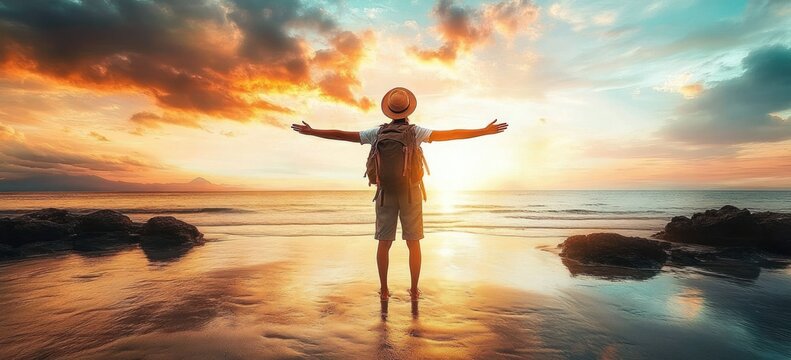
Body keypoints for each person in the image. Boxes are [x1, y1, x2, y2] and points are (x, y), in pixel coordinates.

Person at [291, 87, 508, 302]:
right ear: (408, 111)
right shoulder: (416, 132)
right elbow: (451, 135)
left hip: (385, 191)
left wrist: (313, 131)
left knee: (384, 242)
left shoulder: (376, 133)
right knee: (413, 242)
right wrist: (483, 130)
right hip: (411, 191)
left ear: (389, 112)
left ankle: (384, 290)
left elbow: (343, 135)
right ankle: (414, 290)